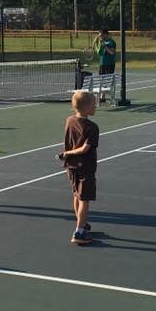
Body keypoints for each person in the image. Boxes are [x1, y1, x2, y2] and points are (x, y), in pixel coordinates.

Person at [58, 90, 100, 246]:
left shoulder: (69, 120)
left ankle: (81, 223)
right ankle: (79, 232)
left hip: (72, 166)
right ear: (87, 107)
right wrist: (67, 152)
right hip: (85, 167)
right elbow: (84, 149)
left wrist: (66, 154)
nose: (96, 106)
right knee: (84, 199)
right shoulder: (92, 127)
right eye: (94, 104)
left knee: (76, 195)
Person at [96, 29, 117, 103]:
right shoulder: (101, 42)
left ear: (106, 34)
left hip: (109, 64)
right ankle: (102, 97)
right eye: (99, 36)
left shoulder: (112, 42)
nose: (100, 37)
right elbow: (99, 52)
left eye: (101, 35)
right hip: (102, 64)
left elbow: (112, 52)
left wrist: (104, 46)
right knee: (101, 81)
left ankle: (111, 97)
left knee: (109, 81)